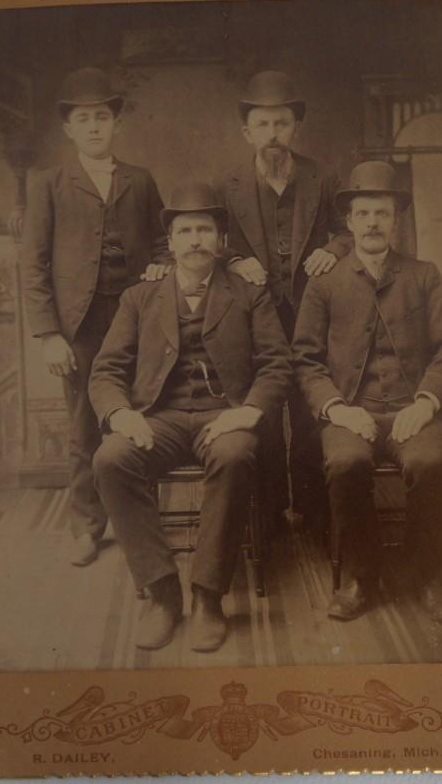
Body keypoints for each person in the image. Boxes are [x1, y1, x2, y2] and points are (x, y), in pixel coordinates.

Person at [89, 182, 291, 652]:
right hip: (159, 417)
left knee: (237, 455)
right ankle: (161, 593)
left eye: (205, 229)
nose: (196, 239)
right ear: (172, 241)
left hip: (225, 415)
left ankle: (207, 596)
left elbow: (278, 364)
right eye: (186, 231)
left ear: (221, 241)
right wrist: (121, 414)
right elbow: (105, 370)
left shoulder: (248, 295)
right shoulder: (139, 298)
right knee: (110, 459)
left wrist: (248, 412)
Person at [292, 161, 442, 622]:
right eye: (364, 213)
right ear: (348, 222)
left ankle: (427, 573)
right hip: (352, 411)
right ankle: (360, 576)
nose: (373, 222)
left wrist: (427, 403)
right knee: (346, 462)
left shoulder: (423, 276)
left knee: (430, 464)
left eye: (383, 213)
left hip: (414, 410)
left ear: (396, 221)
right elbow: (305, 359)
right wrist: (337, 409)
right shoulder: (324, 283)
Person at [20, 68, 170, 567]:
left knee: (140, 417)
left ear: (116, 123)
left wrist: (159, 264)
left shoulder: (141, 182)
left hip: (134, 321)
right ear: (68, 129)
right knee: (85, 427)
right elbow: (33, 262)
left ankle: (140, 523)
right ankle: (87, 525)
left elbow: (162, 244)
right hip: (79, 326)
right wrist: (47, 334)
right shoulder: (49, 184)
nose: (93, 127)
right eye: (83, 119)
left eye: (102, 117)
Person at [218, 70, 353, 530]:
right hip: (255, 314)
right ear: (247, 132)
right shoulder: (229, 184)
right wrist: (236, 260)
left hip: (314, 311)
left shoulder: (322, 177)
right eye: (262, 125)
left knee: (310, 406)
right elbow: (215, 243)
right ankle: (271, 512)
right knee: (265, 409)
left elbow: (346, 232)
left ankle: (314, 510)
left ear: (296, 128)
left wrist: (329, 250)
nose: (272, 134)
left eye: (281, 124)